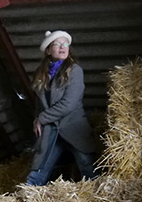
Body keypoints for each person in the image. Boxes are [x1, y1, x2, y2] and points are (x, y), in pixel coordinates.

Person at [25, 30, 99, 186]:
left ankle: (98, 197)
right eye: (57, 44)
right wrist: (36, 121)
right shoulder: (41, 74)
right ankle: (23, 199)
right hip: (51, 130)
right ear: (48, 50)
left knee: (87, 166)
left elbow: (69, 103)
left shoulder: (74, 70)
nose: (62, 47)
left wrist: (42, 118)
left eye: (65, 44)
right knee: (39, 170)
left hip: (72, 126)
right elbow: (39, 104)